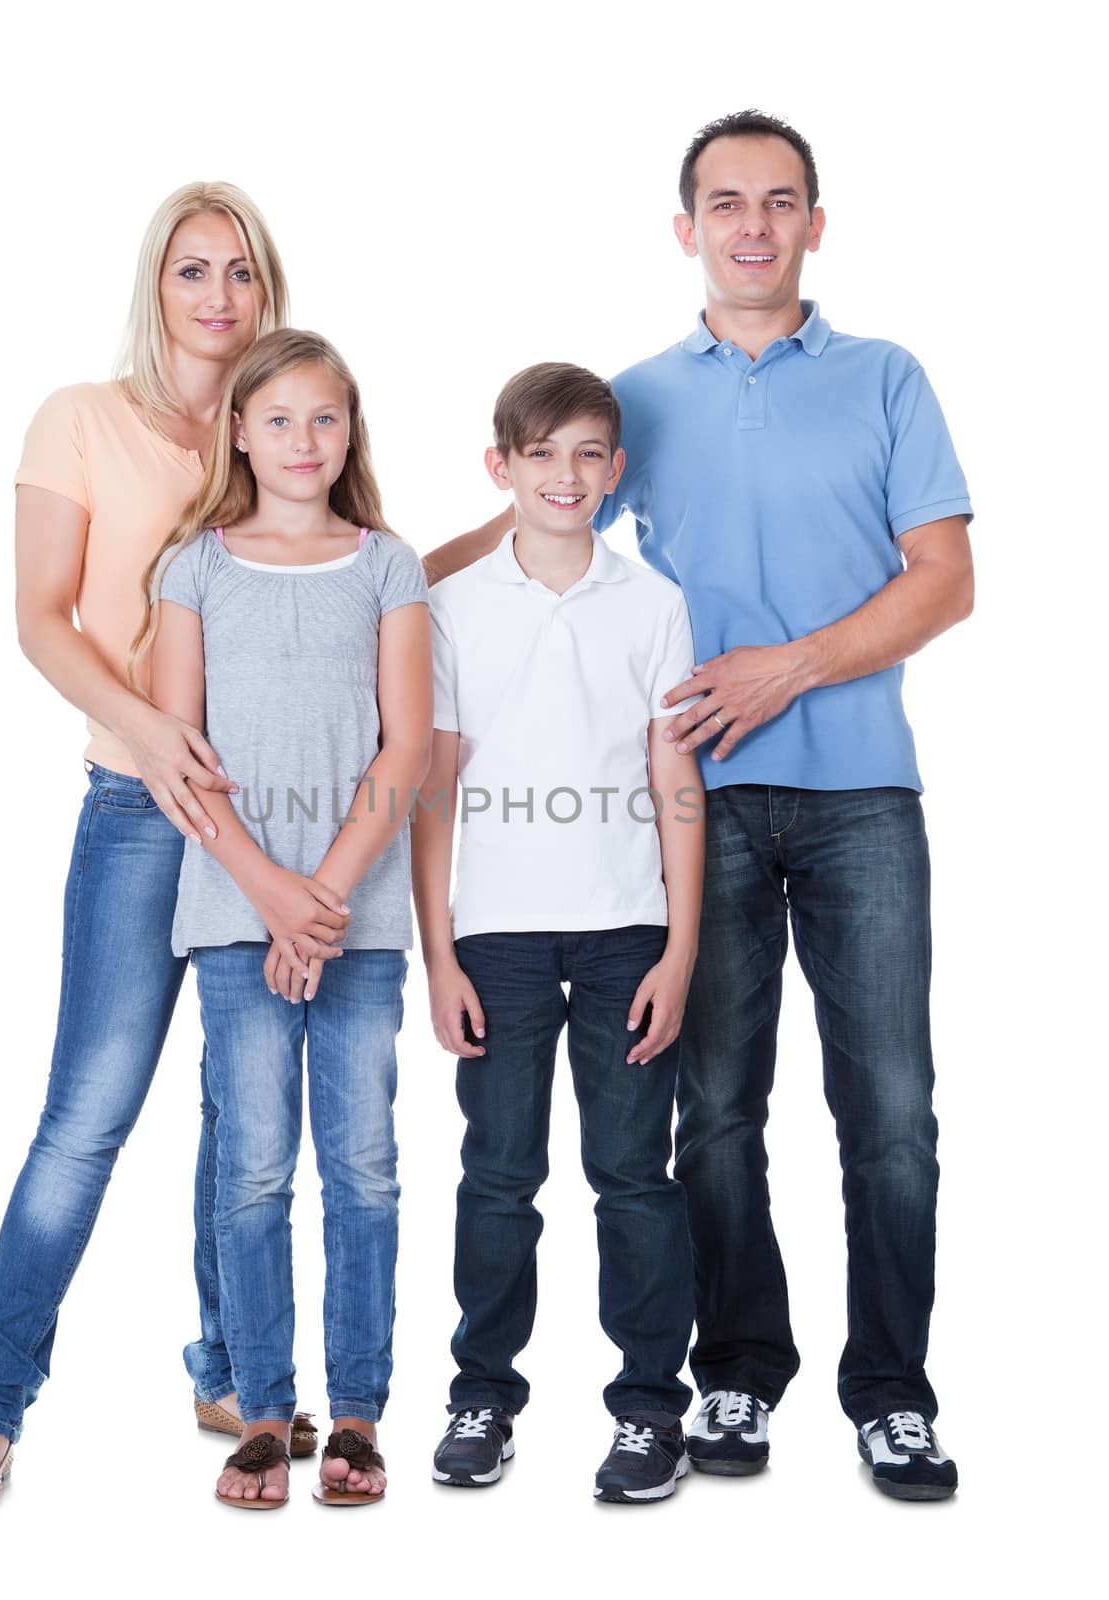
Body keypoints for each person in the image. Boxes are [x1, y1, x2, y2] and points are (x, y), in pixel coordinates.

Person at [424, 110, 974, 1503]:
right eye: (724, 202)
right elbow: (535, 532)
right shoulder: (635, 397)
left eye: (778, 200)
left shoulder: (886, 379)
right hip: (697, 806)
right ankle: (733, 1375)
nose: (751, 223)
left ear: (812, 224)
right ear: (686, 229)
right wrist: (366, 573)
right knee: (715, 1111)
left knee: (890, 1110)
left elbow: (943, 581)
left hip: (860, 794)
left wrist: (790, 664)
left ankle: (892, 1393)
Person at [0, 183, 325, 1519]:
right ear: (156, 287)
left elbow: (364, 574)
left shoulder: (285, 429)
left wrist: (518, 526)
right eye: (192, 270)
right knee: (87, 1118)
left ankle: (224, 1372)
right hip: (138, 812)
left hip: (266, 824)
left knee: (243, 1115)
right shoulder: (82, 420)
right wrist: (151, 734)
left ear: (267, 295)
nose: (218, 297)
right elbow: (42, 620)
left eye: (241, 274)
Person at [142, 328, 431, 1508]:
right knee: (254, 1170)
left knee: (361, 1168)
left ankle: (357, 1411)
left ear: (349, 433)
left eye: (326, 419)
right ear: (239, 433)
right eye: (279, 420)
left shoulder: (387, 565)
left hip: (354, 927)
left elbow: (404, 747)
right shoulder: (193, 568)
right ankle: (265, 1411)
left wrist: (327, 901)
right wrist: (270, 894)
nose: (304, 442)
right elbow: (180, 755)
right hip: (231, 912)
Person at [413, 363, 704, 1503]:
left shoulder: (652, 603)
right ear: (502, 469)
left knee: (634, 1173)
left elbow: (673, 776)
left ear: (615, 470)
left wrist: (681, 947)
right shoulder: (453, 606)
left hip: (628, 926)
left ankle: (647, 1411)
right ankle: (481, 1395)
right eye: (541, 455)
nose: (566, 475)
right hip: (497, 938)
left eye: (588, 454)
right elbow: (434, 785)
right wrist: (439, 952)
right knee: (498, 1173)